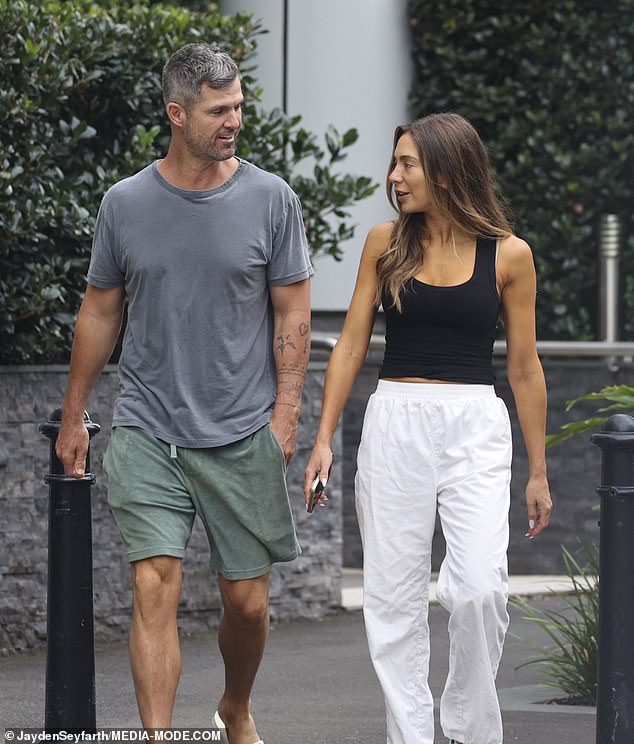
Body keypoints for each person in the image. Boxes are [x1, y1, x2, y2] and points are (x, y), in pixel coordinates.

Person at [57, 43, 313, 744]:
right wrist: (75, 413)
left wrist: (286, 415)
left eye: (237, 106)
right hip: (148, 427)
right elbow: (101, 310)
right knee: (153, 586)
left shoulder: (271, 200)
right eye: (218, 109)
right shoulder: (126, 204)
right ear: (177, 113)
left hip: (241, 431)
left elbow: (293, 311)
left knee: (248, 603)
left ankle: (235, 705)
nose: (234, 120)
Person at [304, 112, 552, 744]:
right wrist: (323, 438)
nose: (394, 176)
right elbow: (353, 340)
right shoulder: (384, 243)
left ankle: (471, 730)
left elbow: (524, 368)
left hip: (475, 426)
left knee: (477, 591)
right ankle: (411, 736)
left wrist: (539, 472)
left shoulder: (511, 255)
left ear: (446, 168)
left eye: (406, 163)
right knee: (392, 599)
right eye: (395, 163)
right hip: (394, 423)